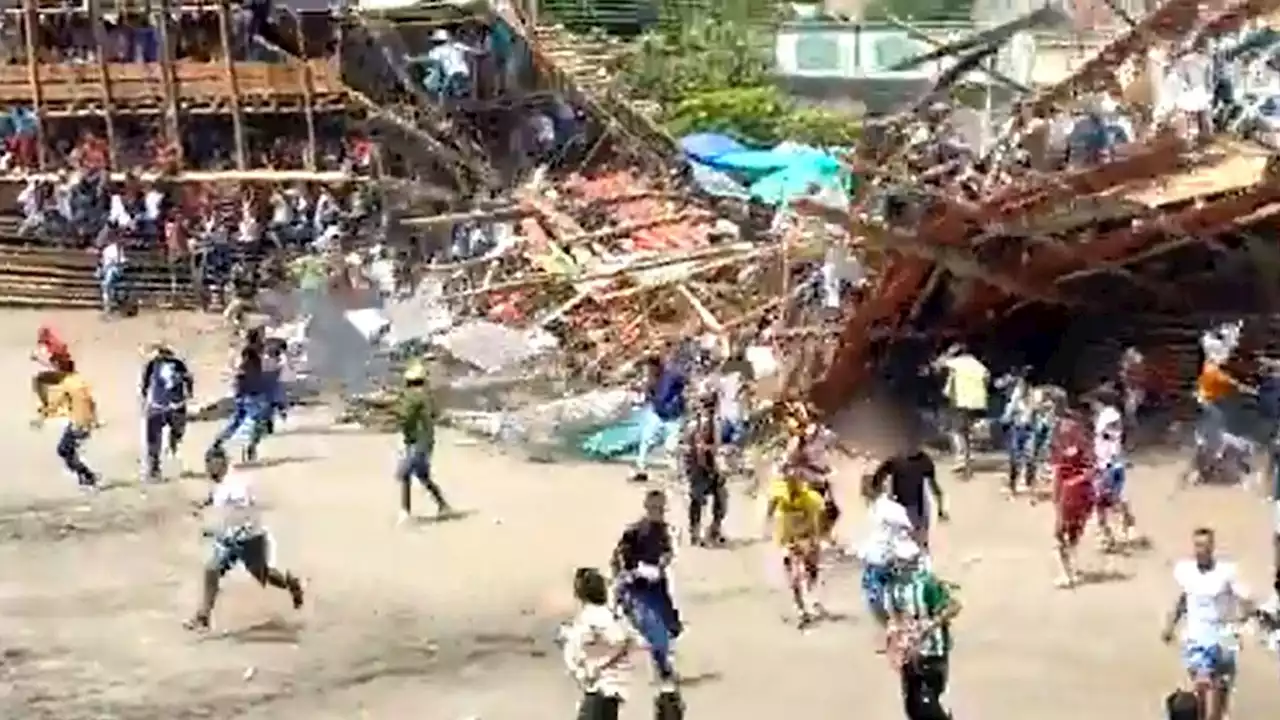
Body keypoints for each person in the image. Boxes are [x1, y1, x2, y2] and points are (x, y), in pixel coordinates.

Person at [183, 447, 305, 632]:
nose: (208, 469)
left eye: (211, 464)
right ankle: (203, 616)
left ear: (221, 463)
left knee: (263, 575)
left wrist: (236, 530)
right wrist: (205, 504)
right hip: (230, 538)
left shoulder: (236, 485)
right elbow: (218, 496)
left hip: (248, 538)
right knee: (211, 570)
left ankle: (291, 584)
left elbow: (246, 507)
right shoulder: (222, 481)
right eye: (207, 464)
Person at [1161, 528, 1252, 720]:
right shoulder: (1185, 570)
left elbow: (1244, 599)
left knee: (1220, 702)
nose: (1200, 550)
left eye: (1205, 545)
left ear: (1212, 547)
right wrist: (1170, 625)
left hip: (1224, 640)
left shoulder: (1226, 572)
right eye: (1197, 545)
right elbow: (1183, 599)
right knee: (1206, 694)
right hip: (1197, 641)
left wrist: (1244, 617)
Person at [883, 538, 960, 720]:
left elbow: (953, 606)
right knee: (913, 707)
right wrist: (894, 645)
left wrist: (930, 625)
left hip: (933, 651)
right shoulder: (891, 588)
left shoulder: (926, 584)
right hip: (909, 654)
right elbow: (893, 619)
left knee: (927, 702)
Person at [611, 489, 682, 686]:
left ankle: (659, 660)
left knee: (672, 628)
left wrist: (662, 562)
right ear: (647, 507)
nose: (658, 512)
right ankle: (663, 671)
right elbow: (619, 561)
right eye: (654, 508)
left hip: (657, 587)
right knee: (657, 632)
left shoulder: (665, 531)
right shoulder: (633, 533)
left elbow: (668, 554)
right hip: (636, 590)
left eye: (661, 508)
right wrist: (632, 574)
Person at [558, 567, 640, 720]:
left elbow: (576, 651)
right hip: (613, 689)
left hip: (599, 689)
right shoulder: (611, 617)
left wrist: (583, 667)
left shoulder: (589, 618)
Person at [763, 471, 827, 627]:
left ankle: (810, 599)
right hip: (788, 539)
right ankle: (800, 606)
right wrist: (768, 524)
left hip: (806, 537)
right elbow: (770, 510)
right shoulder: (779, 492)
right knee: (794, 574)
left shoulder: (810, 498)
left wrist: (817, 538)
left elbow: (818, 519)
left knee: (810, 569)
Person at [393, 361, 451, 524]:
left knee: (405, 474)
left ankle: (405, 512)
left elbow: (405, 417)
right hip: (427, 441)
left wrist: (399, 424)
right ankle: (443, 505)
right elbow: (436, 414)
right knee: (422, 476)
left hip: (415, 441)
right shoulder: (427, 396)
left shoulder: (412, 396)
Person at [857, 472, 916, 629]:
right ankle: (894, 631)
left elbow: (907, 527)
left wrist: (898, 547)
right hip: (878, 558)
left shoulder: (888, 508)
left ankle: (897, 631)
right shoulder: (875, 508)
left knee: (882, 598)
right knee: (882, 599)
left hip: (887, 559)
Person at [870, 436, 947, 550]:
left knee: (917, 541)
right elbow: (878, 477)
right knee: (900, 542)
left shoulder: (923, 461)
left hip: (917, 508)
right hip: (901, 507)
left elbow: (934, 485)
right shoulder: (897, 460)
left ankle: (920, 555)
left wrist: (940, 508)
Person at [38, 360, 100, 490]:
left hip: (77, 423)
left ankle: (87, 475)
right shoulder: (80, 382)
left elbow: (55, 404)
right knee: (69, 450)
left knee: (63, 450)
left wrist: (42, 416)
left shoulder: (66, 384)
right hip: (85, 423)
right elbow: (91, 402)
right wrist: (94, 420)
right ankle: (84, 476)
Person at [1050, 406, 1095, 588]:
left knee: (1067, 534)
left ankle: (1068, 573)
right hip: (1067, 494)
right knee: (1063, 534)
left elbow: (1092, 469)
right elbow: (1056, 471)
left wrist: (1073, 482)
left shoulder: (1082, 446)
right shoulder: (1059, 445)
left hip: (1078, 494)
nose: (1065, 427)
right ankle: (1070, 570)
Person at [208, 331, 268, 464]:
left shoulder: (249, 352)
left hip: (244, 392)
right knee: (256, 421)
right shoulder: (250, 353)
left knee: (238, 420)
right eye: (260, 340)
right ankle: (250, 447)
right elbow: (243, 369)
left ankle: (219, 442)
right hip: (250, 393)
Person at [139, 342, 194, 483]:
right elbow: (145, 382)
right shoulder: (153, 364)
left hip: (172, 405)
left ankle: (171, 446)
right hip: (160, 406)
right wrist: (144, 397)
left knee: (174, 432)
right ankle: (154, 469)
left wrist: (189, 392)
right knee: (154, 440)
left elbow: (188, 378)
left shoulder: (177, 364)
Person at [933, 344, 989, 479]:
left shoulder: (957, 363)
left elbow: (937, 365)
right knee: (965, 432)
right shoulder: (978, 365)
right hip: (977, 403)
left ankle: (961, 459)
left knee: (955, 431)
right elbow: (987, 377)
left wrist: (948, 352)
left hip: (961, 401)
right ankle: (967, 459)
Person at [1092, 387, 1138, 550]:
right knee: (1109, 499)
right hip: (1109, 463)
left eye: (1094, 401)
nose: (1092, 405)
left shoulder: (1110, 417)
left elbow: (1111, 440)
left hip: (1108, 465)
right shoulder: (1109, 416)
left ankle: (1107, 535)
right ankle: (1121, 525)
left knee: (1102, 500)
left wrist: (1108, 462)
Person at [633, 354, 686, 483]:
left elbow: (683, 381)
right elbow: (649, 395)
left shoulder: (670, 375)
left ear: (656, 366)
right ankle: (641, 469)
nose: (649, 370)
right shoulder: (651, 378)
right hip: (658, 414)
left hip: (674, 416)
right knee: (646, 440)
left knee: (671, 447)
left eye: (650, 367)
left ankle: (675, 472)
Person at [682, 393, 726, 546]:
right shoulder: (693, 425)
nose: (708, 409)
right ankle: (694, 532)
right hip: (696, 465)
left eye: (711, 406)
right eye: (706, 405)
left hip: (711, 464)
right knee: (697, 499)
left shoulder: (717, 424)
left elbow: (718, 446)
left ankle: (714, 528)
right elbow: (685, 446)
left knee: (721, 497)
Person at [31, 325, 74, 417]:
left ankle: (46, 404)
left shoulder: (53, 345)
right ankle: (68, 404)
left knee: (38, 380)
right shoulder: (54, 343)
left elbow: (59, 362)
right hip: (66, 372)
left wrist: (38, 358)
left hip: (64, 373)